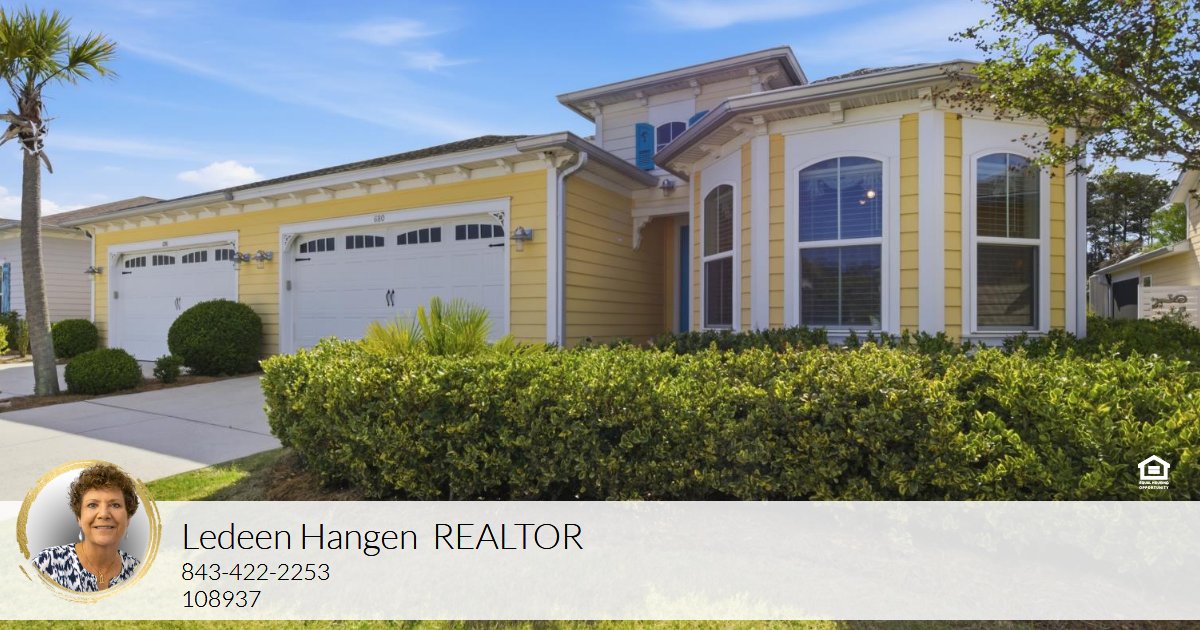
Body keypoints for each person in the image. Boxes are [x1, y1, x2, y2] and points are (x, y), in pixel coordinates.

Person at [31, 463, 141, 592]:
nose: (104, 514)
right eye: (92, 505)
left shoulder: (137, 571)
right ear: (79, 517)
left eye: (115, 505)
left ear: (128, 517)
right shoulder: (48, 564)